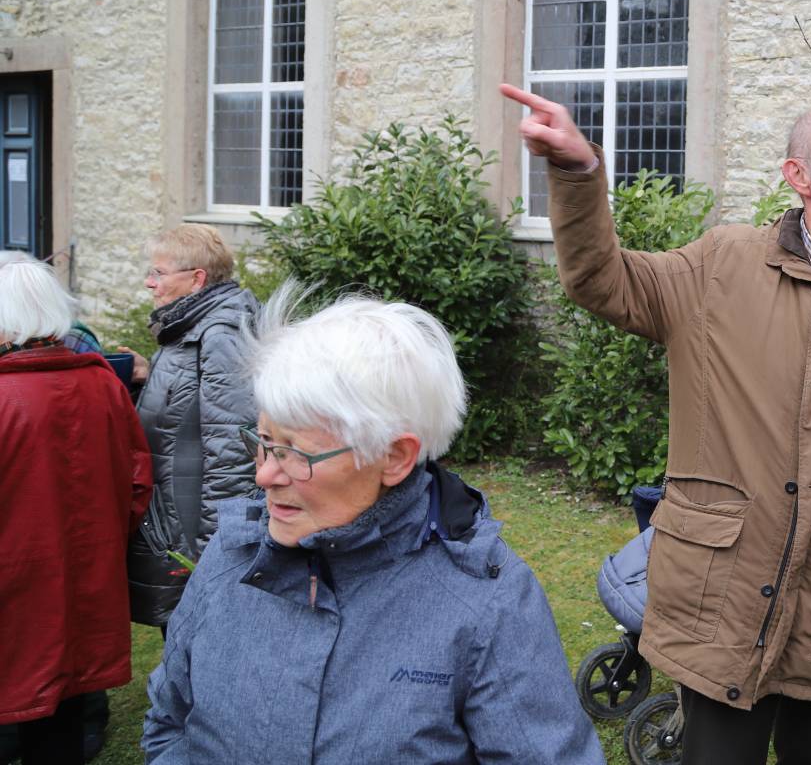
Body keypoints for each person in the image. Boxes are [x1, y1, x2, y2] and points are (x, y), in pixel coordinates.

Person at [500, 84, 811, 765]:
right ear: (798, 175)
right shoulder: (720, 266)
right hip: (722, 596)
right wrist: (577, 171)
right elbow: (601, 279)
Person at [141, 289, 606, 764]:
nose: (263, 475)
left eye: (295, 453)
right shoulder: (231, 555)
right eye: (262, 441)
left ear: (393, 457)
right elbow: (169, 723)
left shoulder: (488, 604)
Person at [0, 253, 152, 765]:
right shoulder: (104, 381)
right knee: (65, 713)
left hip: (15, 588)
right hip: (86, 578)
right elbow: (136, 482)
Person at [118, 224, 260, 630]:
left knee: (203, 644)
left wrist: (214, 556)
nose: (149, 282)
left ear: (196, 278)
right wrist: (149, 376)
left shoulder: (219, 334)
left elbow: (234, 454)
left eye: (159, 273)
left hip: (195, 537)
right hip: (179, 526)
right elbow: (193, 406)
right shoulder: (189, 327)